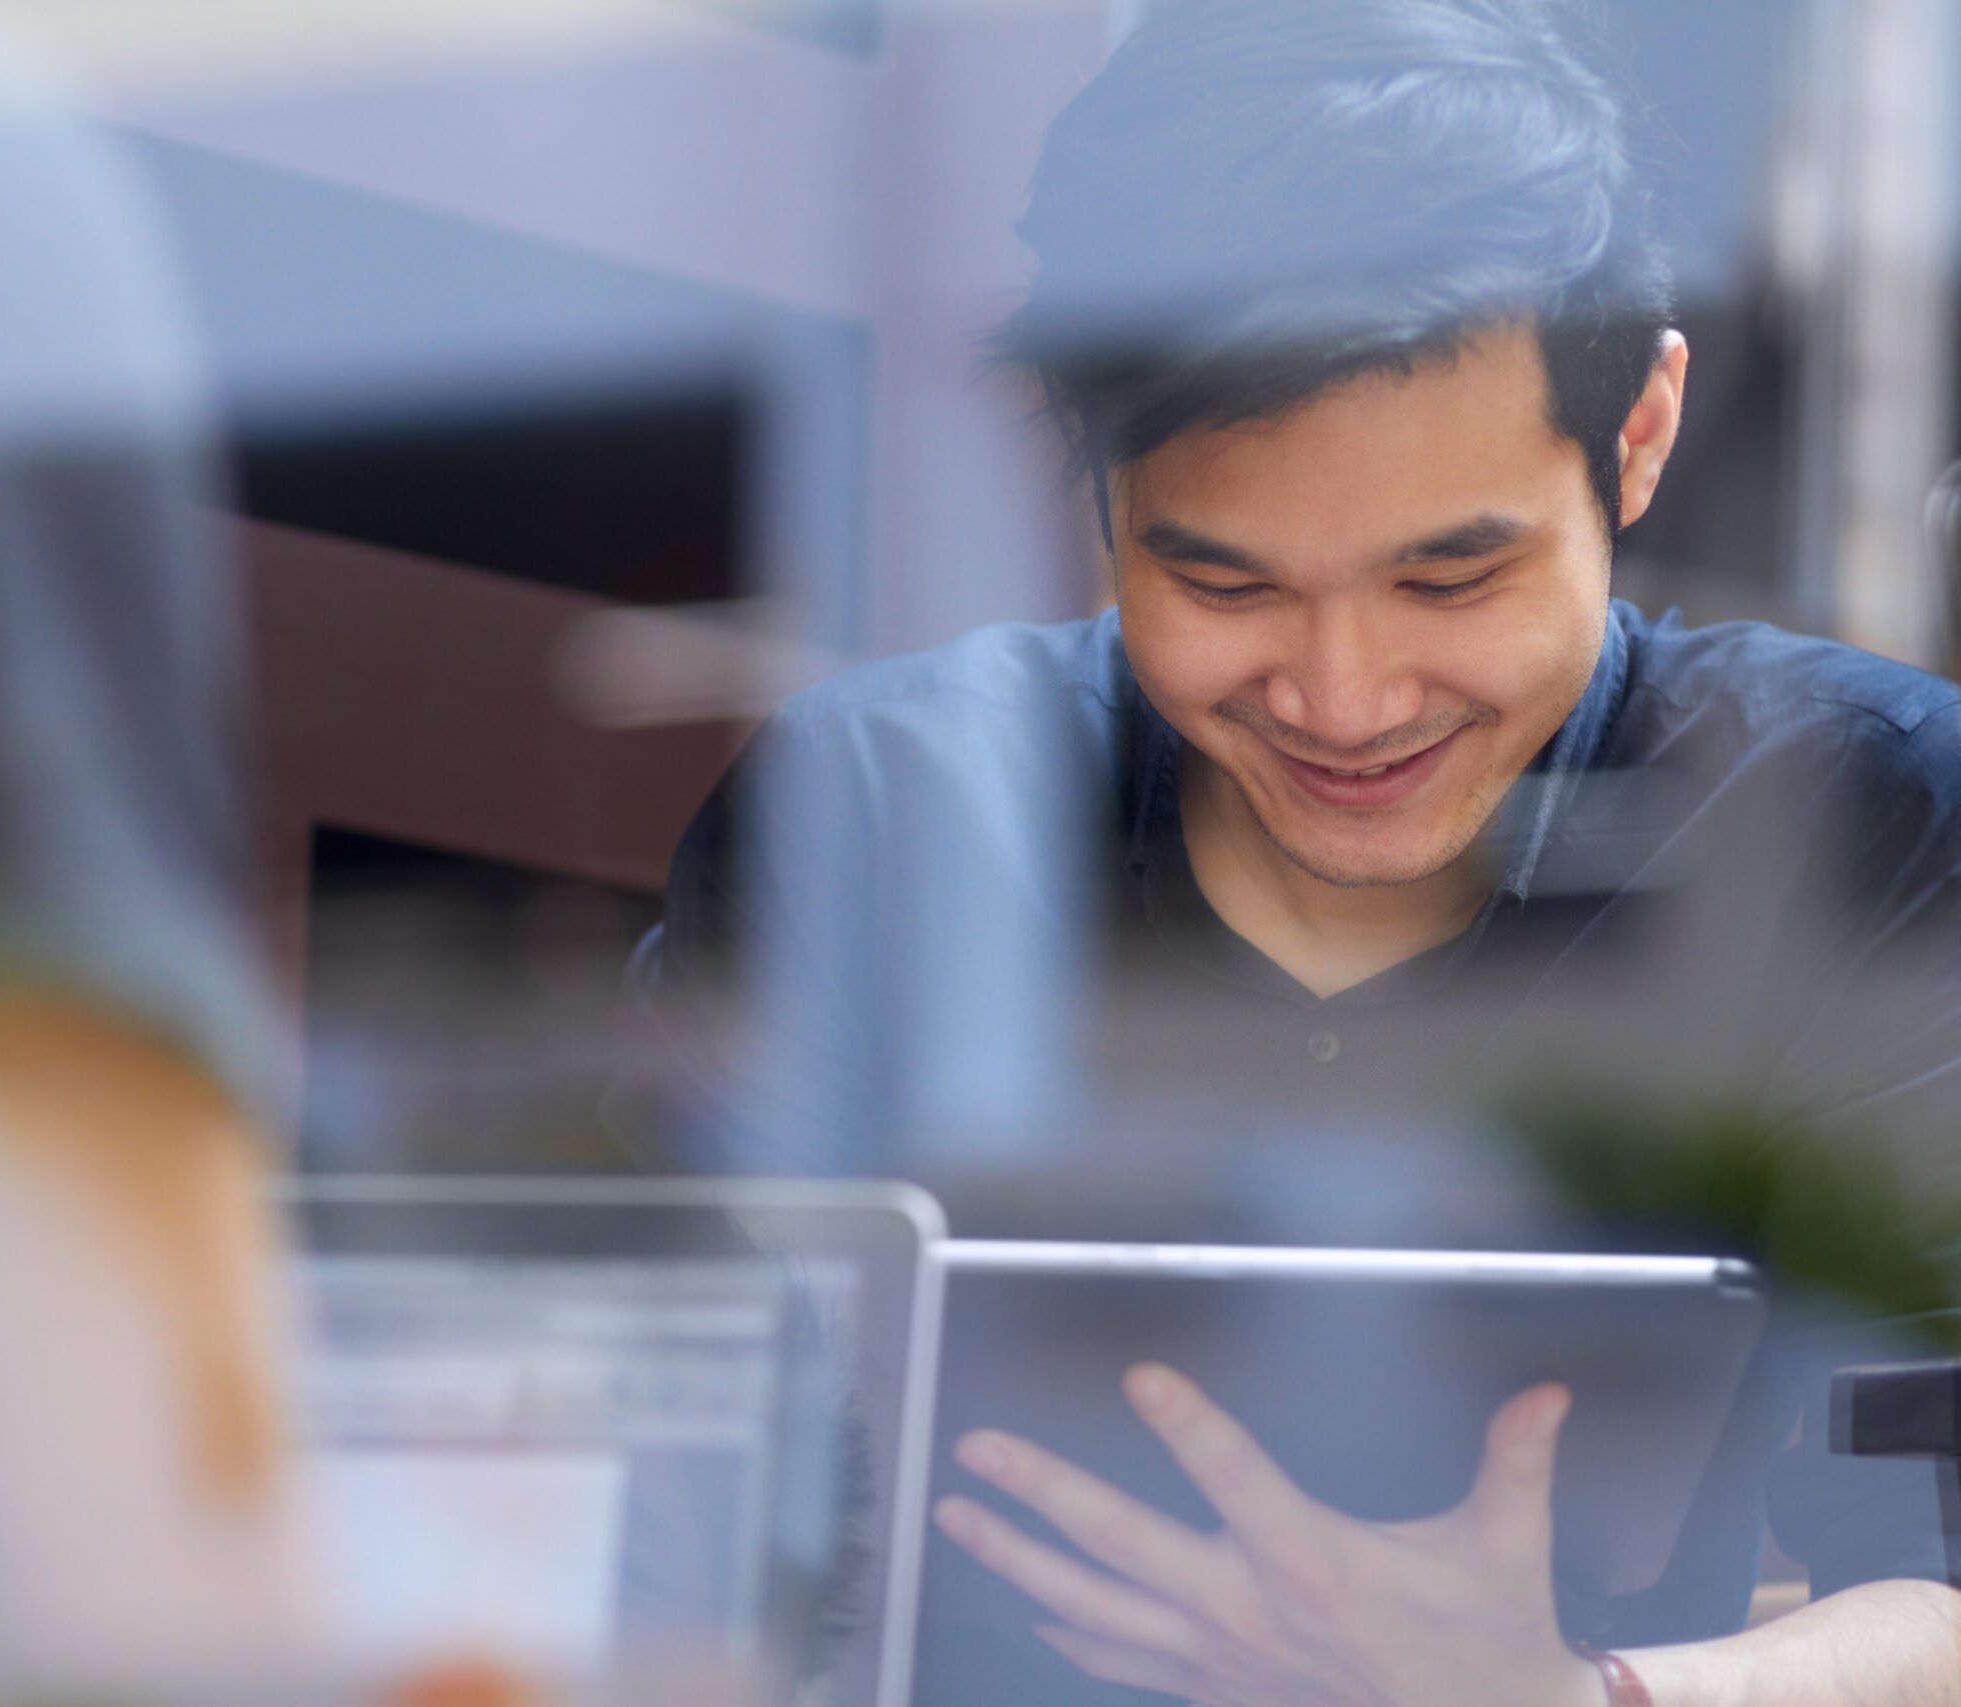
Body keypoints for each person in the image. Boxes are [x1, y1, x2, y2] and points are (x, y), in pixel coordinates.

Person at [638, 0, 1961, 1701]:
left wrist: (1583, 1699)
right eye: (1227, 586)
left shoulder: (1863, 815)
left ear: (1636, 436)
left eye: (1449, 581)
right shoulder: (881, 805)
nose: (1345, 701)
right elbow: (658, 1467)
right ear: (1092, 494)